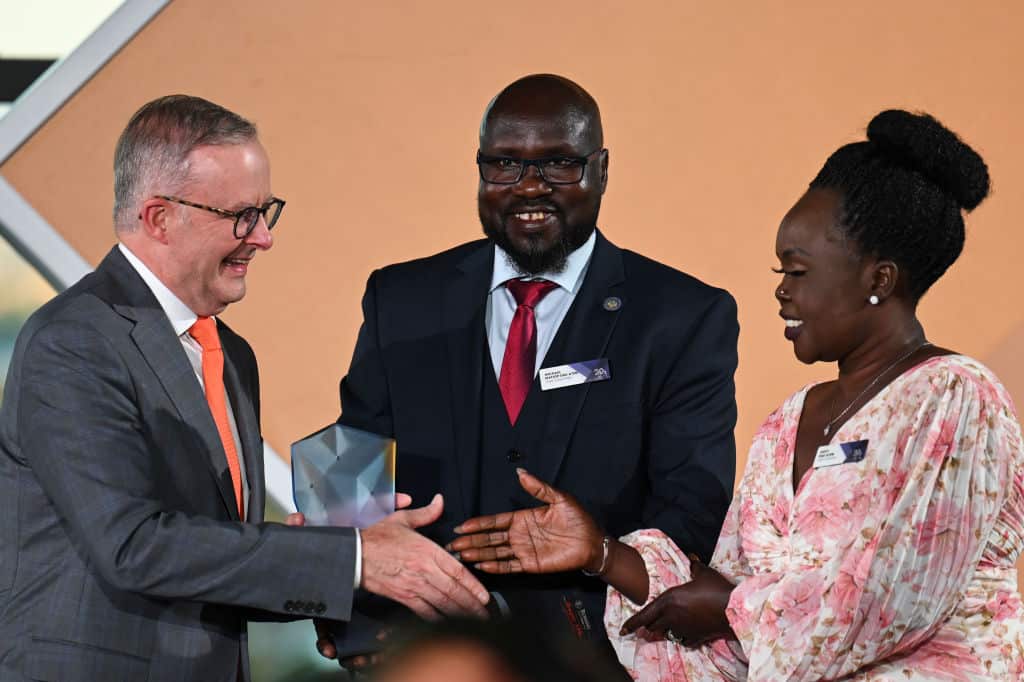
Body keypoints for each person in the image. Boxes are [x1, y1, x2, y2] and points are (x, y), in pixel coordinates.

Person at [450, 109, 1024, 680]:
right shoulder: (788, 422)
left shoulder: (956, 398)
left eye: (797, 273)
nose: (780, 292)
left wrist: (728, 610)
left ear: (879, 279)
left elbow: (888, 599)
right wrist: (602, 553)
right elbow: (725, 596)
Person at [0, 95, 489, 682]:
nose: (262, 238)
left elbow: (210, 564)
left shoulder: (231, 354)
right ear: (159, 217)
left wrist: (340, 561)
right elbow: (134, 547)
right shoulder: (75, 339)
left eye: (265, 212)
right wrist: (353, 560)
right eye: (240, 215)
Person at [327, 74, 738, 660]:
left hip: (598, 658)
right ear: (479, 169)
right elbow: (352, 469)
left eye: (558, 165)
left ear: (601, 168)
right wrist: (357, 619)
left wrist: (599, 555)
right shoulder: (401, 298)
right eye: (505, 165)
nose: (529, 188)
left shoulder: (684, 316)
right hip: (422, 655)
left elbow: (693, 507)